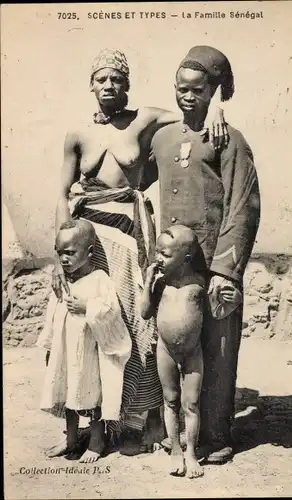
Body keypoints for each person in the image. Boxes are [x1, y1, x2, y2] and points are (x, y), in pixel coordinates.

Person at [50, 47, 231, 454]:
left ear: (127, 85)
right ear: (91, 84)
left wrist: (218, 107)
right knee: (86, 325)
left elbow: (192, 109)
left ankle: (137, 422)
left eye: (117, 79)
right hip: (86, 237)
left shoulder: (145, 118)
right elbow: (62, 193)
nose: (109, 85)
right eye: (102, 79)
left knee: (135, 324)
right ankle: (88, 425)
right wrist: (58, 245)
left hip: (129, 234)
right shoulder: (77, 133)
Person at [150, 45, 261, 463]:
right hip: (173, 268)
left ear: (213, 90)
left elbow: (244, 204)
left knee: (217, 346)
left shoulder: (230, 141)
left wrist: (226, 270)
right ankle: (173, 431)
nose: (188, 97)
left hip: (214, 266)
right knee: (170, 342)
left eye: (198, 90)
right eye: (181, 89)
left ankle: (216, 434)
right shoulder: (163, 138)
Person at [37, 220, 132, 462]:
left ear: (89, 252)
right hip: (66, 350)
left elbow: (111, 311)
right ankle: (70, 440)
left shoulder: (99, 279)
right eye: (60, 253)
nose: (64, 259)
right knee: (70, 392)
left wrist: (87, 306)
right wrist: (50, 344)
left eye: (70, 252)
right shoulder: (64, 280)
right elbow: (53, 309)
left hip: (90, 352)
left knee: (92, 396)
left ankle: (97, 442)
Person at [141, 225, 206, 478]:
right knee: (170, 401)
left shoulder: (200, 284)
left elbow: (211, 317)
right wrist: (147, 284)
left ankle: (191, 452)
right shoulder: (160, 283)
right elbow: (145, 312)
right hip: (166, 350)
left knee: (191, 403)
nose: (158, 258)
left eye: (165, 254)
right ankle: (175, 451)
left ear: (186, 258)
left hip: (193, 352)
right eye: (157, 252)